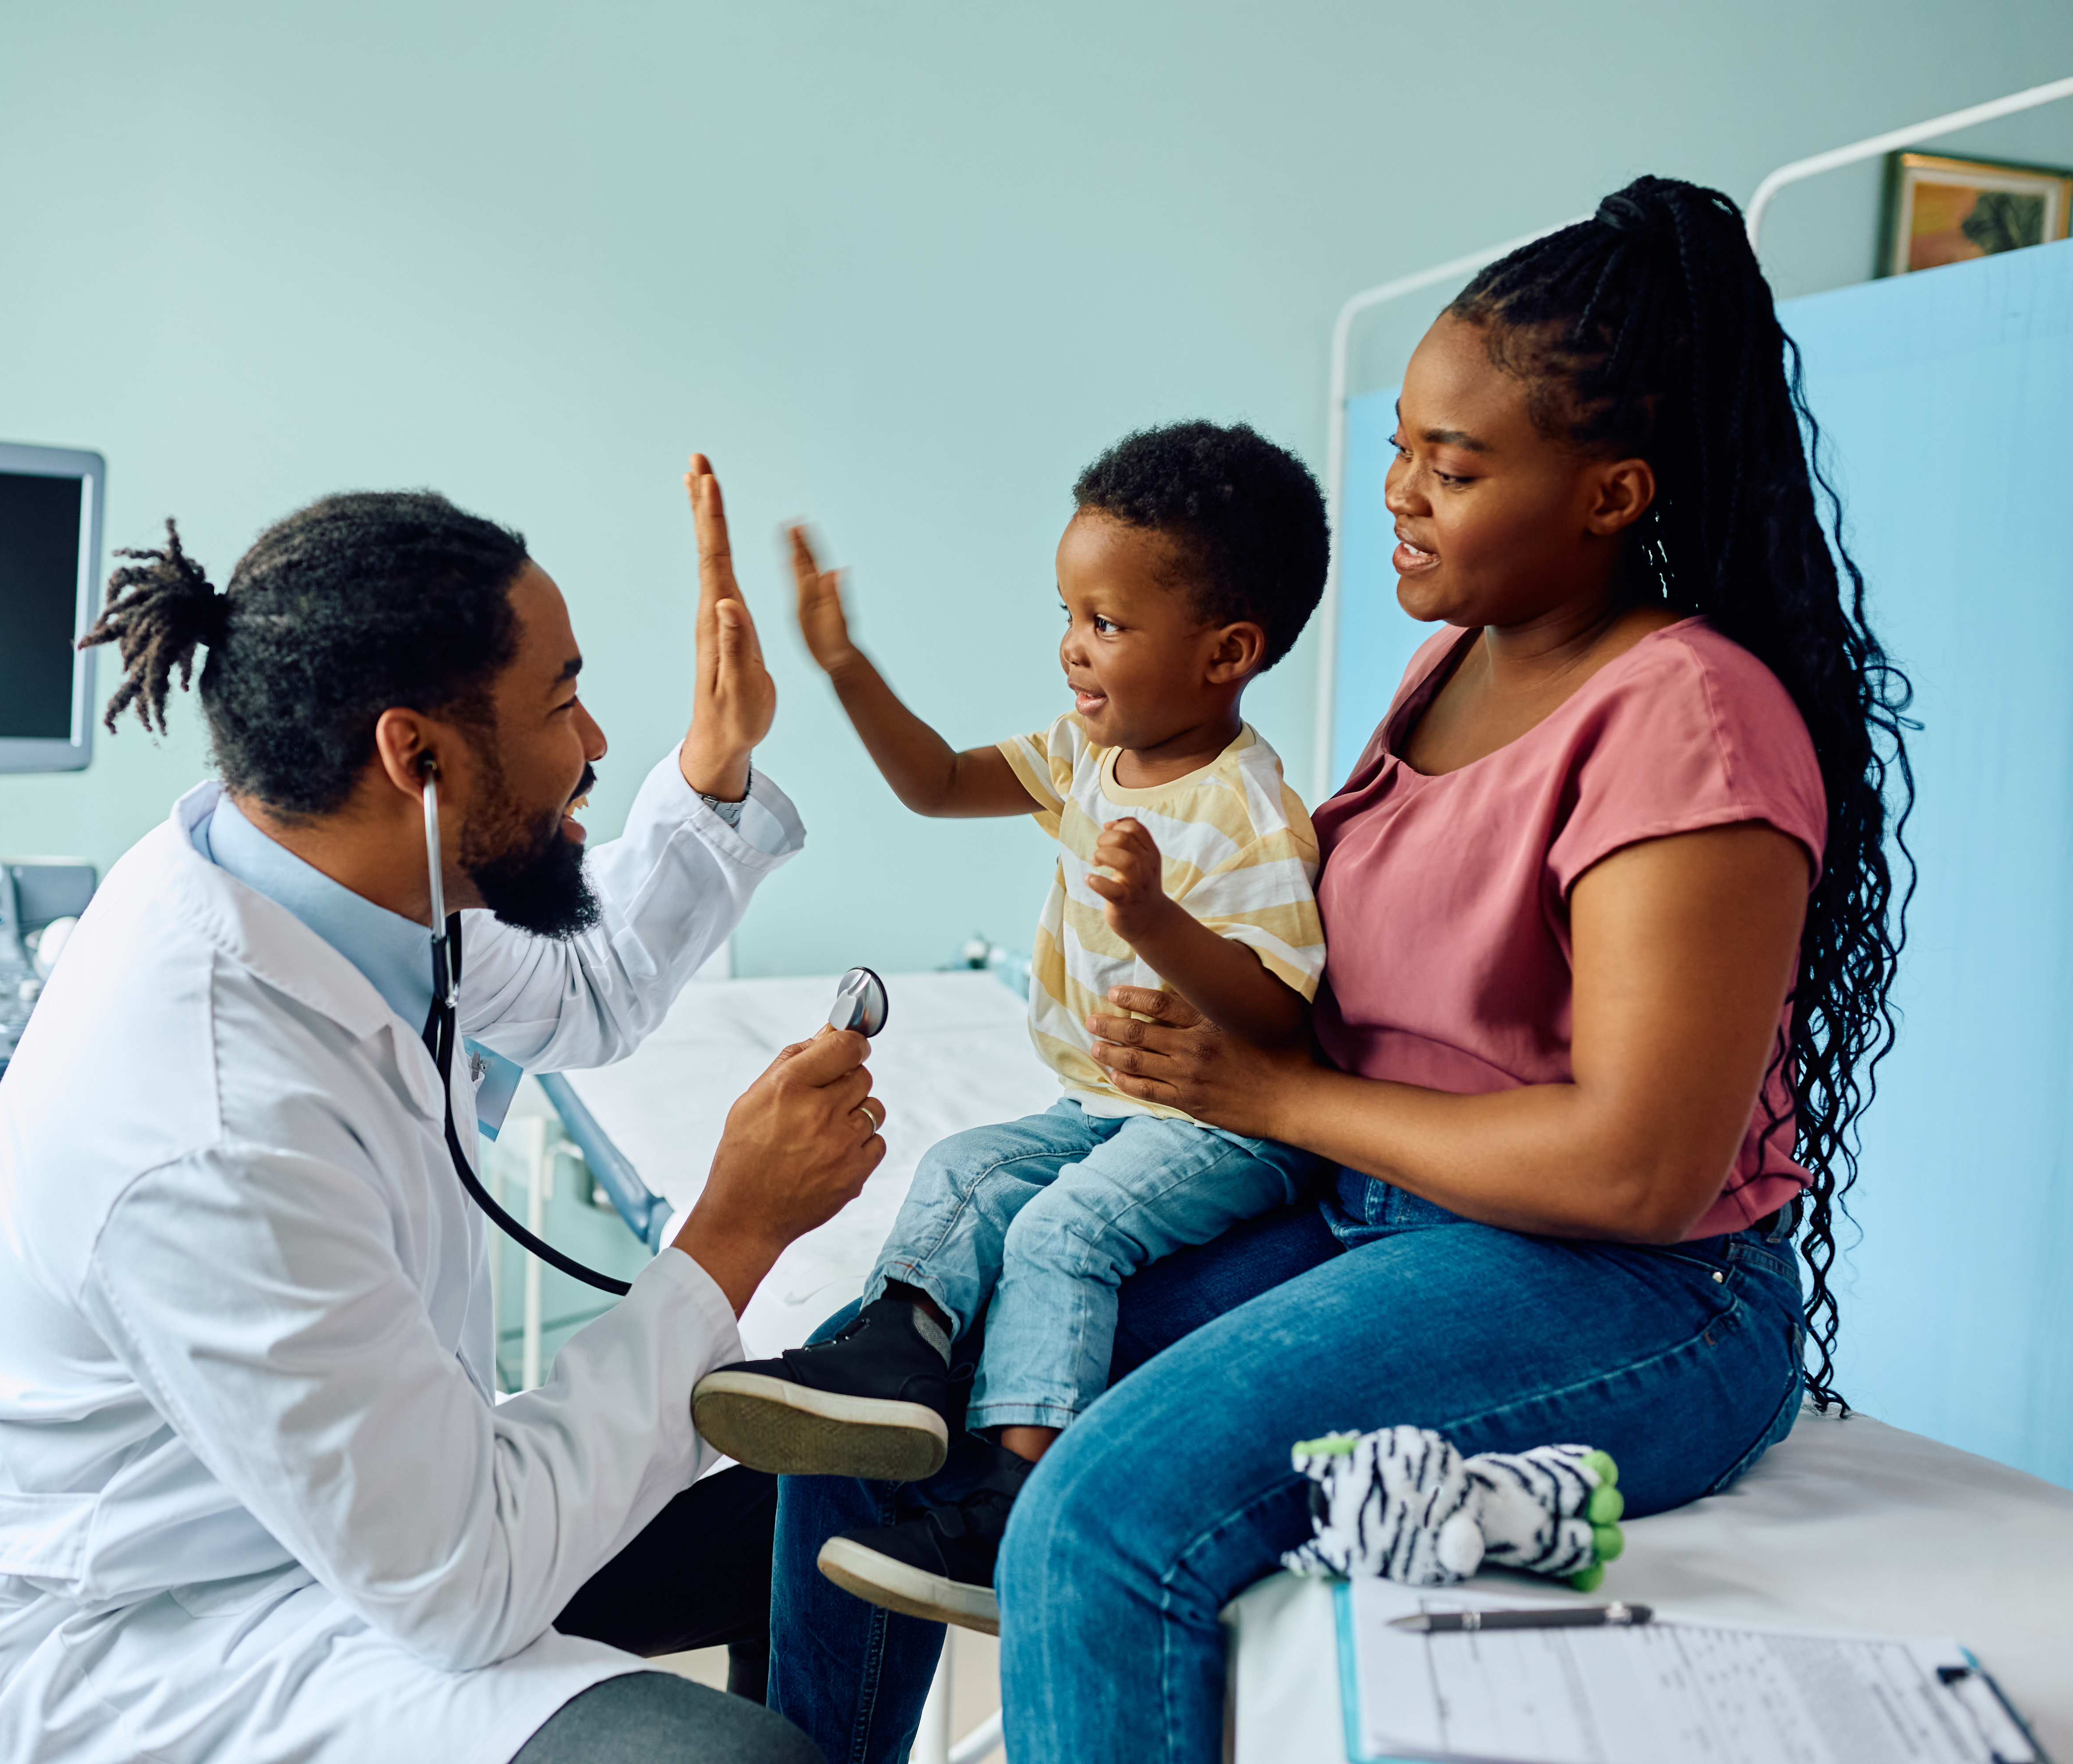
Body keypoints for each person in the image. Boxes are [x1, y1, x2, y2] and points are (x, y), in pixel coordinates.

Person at [768, 175, 1913, 1764]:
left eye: (1454, 467)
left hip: (1631, 1287)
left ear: (1611, 492)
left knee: (1100, 1520)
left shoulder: (1686, 719)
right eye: (1400, 450)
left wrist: (1283, 1092)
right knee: (875, 1408)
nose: (1402, 496)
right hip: (1369, 1210)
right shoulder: (1455, 665)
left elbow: (1639, 1168)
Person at [0, 462, 884, 1764]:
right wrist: (734, 1231)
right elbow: (463, 1581)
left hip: (365, 1511)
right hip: (177, 1640)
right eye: (562, 706)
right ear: (414, 753)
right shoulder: (211, 1121)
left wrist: (712, 772)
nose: (596, 746)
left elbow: (585, 991)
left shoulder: (336, 876)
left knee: (854, 1495)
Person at [689, 423, 1332, 1632]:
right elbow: (933, 782)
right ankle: (896, 1358)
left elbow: (1280, 1015)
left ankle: (1014, 1505)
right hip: (1100, 1102)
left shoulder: (1250, 811)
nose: (1072, 648)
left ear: (1227, 653)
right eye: (1069, 613)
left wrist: (1152, 920)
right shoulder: (1090, 754)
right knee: (966, 1167)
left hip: (1222, 1124)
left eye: (1108, 623)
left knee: (1061, 1235)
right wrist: (844, 666)